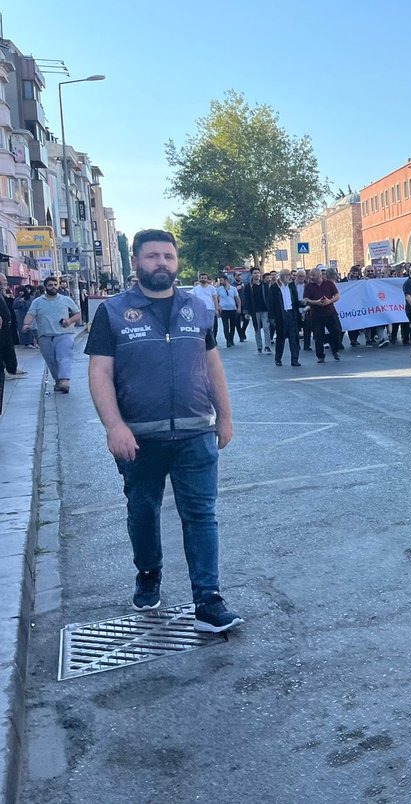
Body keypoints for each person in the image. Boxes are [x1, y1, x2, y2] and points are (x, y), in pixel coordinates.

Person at [85, 228, 242, 633]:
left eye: (168, 257)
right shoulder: (113, 312)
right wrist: (114, 426)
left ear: (177, 262)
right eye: (153, 256)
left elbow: (212, 365)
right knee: (143, 511)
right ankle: (148, 573)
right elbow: (100, 372)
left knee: (201, 515)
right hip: (139, 437)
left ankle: (208, 600)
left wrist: (225, 416)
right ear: (137, 262)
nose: (161, 263)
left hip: (195, 432)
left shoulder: (197, 307)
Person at [24, 276, 80, 393]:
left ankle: (64, 381)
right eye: (50, 285)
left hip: (64, 334)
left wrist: (69, 321)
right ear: (45, 287)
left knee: (64, 357)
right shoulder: (38, 302)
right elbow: (30, 314)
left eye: (55, 285)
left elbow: (77, 314)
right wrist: (26, 324)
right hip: (45, 336)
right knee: (51, 361)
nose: (53, 287)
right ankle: (58, 381)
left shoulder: (66, 300)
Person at [303, 267, 342, 362]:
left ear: (320, 275)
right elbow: (305, 300)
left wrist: (329, 301)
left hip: (330, 312)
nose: (311, 277)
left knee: (337, 331)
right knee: (318, 336)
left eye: (313, 275)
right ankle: (320, 356)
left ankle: (335, 350)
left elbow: (337, 295)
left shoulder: (329, 283)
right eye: (310, 275)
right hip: (316, 314)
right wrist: (316, 302)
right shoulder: (308, 286)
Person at [268, 267, 303, 367]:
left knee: (294, 339)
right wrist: (272, 318)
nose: (290, 277)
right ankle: (278, 359)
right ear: (283, 276)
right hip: (281, 315)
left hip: (291, 314)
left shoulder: (291, 286)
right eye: (288, 275)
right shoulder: (274, 287)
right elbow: (271, 304)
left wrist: (303, 304)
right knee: (280, 339)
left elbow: (295, 300)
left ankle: (295, 360)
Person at [245, 268, 273, 354]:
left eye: (258, 273)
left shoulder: (264, 285)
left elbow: (269, 298)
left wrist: (271, 309)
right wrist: (246, 312)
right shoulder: (248, 287)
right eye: (255, 273)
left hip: (265, 310)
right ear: (251, 275)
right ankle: (259, 346)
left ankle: (267, 346)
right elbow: (246, 300)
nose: (257, 274)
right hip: (255, 311)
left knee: (266, 327)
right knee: (257, 329)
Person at [192, 273, 221, 338]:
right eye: (202, 278)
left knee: (209, 327)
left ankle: (211, 340)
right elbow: (193, 299)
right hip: (199, 310)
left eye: (205, 278)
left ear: (207, 279)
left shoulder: (212, 288)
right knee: (201, 326)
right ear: (199, 279)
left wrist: (216, 309)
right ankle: (202, 340)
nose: (203, 279)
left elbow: (215, 299)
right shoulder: (195, 289)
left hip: (210, 309)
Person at [216, 276, 241, 348]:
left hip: (233, 309)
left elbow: (237, 299)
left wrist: (239, 307)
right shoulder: (219, 289)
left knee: (233, 326)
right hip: (223, 310)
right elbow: (216, 299)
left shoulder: (233, 289)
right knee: (225, 326)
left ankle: (231, 338)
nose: (221, 282)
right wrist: (218, 307)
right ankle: (228, 340)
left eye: (221, 280)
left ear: (226, 280)